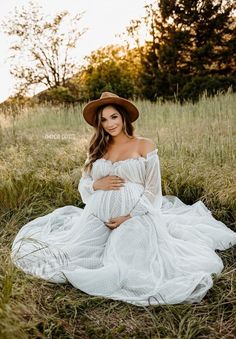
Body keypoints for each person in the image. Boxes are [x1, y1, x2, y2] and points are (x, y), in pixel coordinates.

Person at [11, 91, 236, 306]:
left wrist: (128, 216)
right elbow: (85, 183)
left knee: (127, 262)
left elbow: (152, 189)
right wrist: (96, 184)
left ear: (123, 116)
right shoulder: (97, 148)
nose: (110, 124)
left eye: (114, 117)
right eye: (104, 120)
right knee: (74, 255)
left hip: (134, 216)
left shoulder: (144, 145)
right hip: (97, 215)